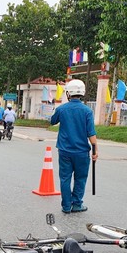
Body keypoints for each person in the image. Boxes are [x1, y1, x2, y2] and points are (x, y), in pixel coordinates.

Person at [49, 79, 98, 214]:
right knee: (80, 178)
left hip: (65, 150)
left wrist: (55, 109)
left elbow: (52, 121)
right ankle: (77, 204)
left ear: (68, 94)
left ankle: (66, 206)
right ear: (82, 93)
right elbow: (91, 134)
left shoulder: (62, 109)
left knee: (65, 178)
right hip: (82, 152)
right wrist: (95, 150)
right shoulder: (87, 111)